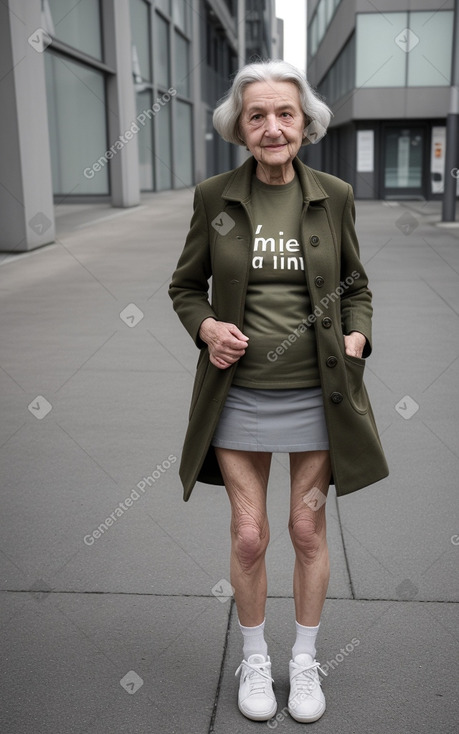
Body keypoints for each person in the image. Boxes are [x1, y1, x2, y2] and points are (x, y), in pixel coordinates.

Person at [169, 60, 388, 724]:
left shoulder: (334, 194)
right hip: (237, 393)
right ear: (239, 125)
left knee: (304, 527)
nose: (271, 127)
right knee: (247, 535)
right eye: (256, 115)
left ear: (305, 122)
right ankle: (257, 657)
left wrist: (356, 339)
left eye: (283, 114)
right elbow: (184, 286)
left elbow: (356, 286)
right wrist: (206, 326)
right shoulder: (214, 197)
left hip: (317, 393)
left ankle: (305, 659)